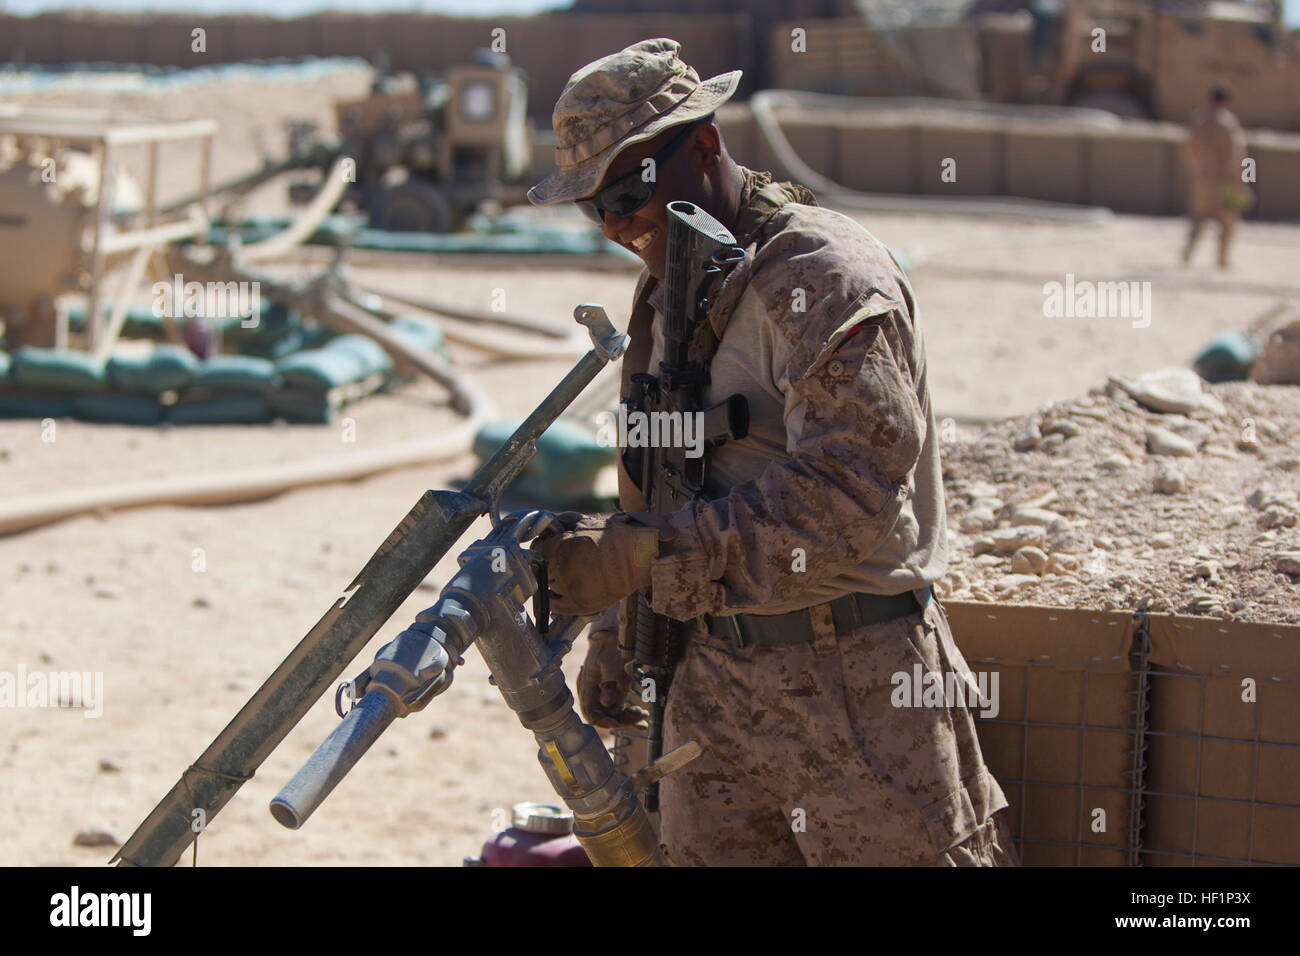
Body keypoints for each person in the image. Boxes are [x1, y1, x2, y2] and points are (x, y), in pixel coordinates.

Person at [528, 38, 1018, 866]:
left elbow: (845, 492)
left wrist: (646, 559)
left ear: (706, 143)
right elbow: (654, 473)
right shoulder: (669, 291)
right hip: (709, 692)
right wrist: (616, 632)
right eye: (594, 206)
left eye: (631, 186)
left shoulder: (822, 275)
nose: (617, 222)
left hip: (855, 688)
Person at [1182, 84, 1250, 269]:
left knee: (1198, 218)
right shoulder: (1228, 123)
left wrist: (1198, 171)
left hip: (1203, 179)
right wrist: (1244, 180)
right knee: (1228, 221)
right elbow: (1238, 156)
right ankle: (1222, 260)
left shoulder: (1198, 120)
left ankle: (1187, 253)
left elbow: (1189, 150)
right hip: (1225, 180)